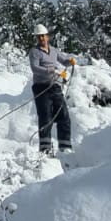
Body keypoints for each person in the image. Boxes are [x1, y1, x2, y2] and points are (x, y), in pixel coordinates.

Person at [28, 23, 75, 155]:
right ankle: (45, 149)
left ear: (47, 36)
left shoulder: (53, 50)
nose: (41, 39)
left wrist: (70, 61)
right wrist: (53, 70)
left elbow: (63, 60)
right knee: (45, 118)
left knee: (64, 115)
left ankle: (65, 146)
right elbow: (35, 68)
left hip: (54, 86)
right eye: (38, 37)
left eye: (43, 36)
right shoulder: (34, 52)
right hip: (41, 87)